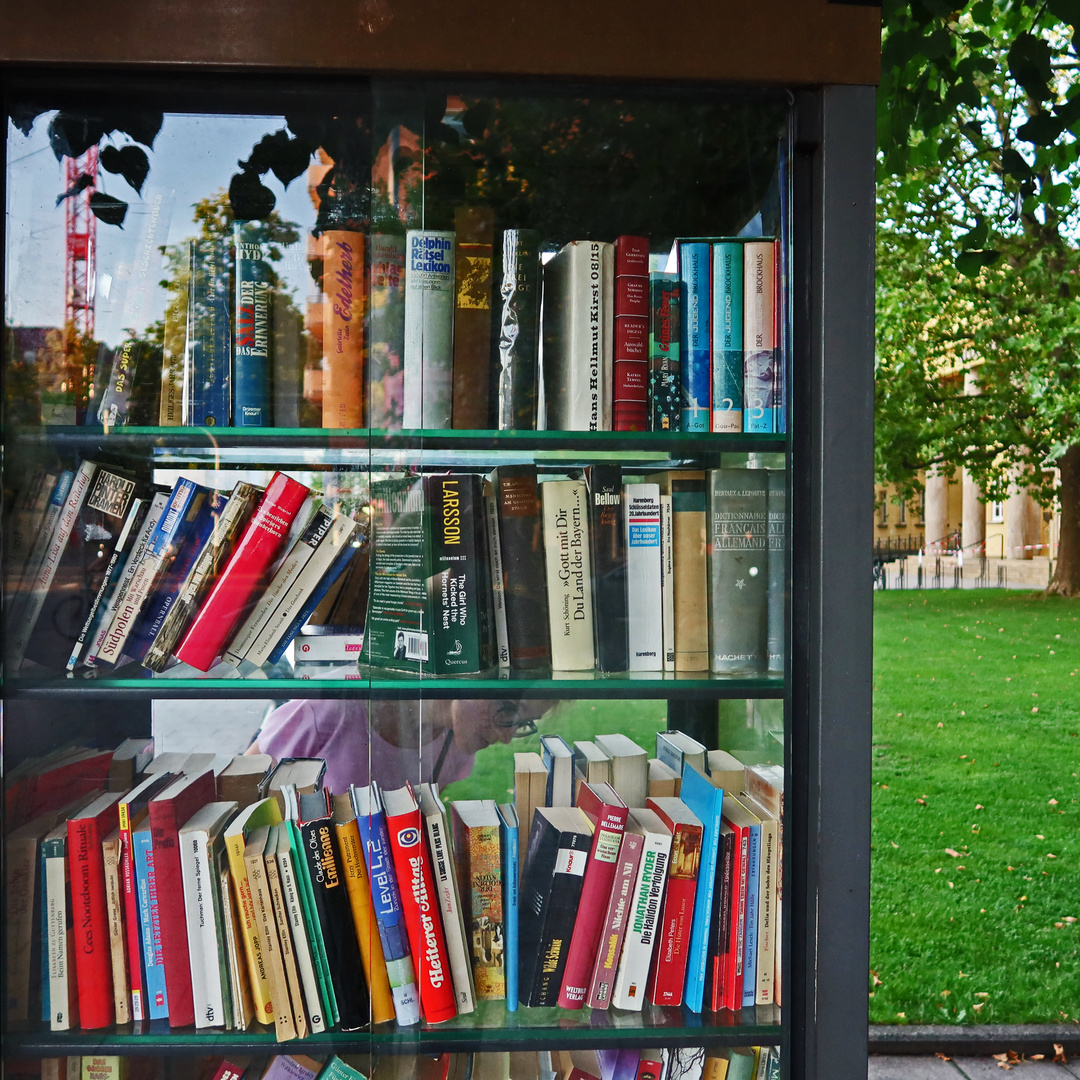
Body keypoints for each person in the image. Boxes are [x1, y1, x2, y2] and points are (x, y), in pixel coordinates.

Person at [248, 696, 552, 794]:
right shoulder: (330, 711)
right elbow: (243, 791)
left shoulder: (456, 748)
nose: (506, 736)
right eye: (509, 712)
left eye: (523, 723)